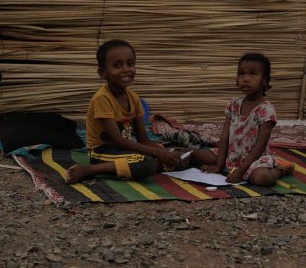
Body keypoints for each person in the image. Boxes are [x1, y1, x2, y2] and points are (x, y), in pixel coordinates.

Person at [65, 39, 184, 183]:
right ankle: (90, 170)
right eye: (117, 65)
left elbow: (143, 139)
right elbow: (117, 140)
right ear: (102, 73)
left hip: (123, 151)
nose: (126, 69)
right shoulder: (101, 99)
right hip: (103, 152)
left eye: (130, 63)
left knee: (175, 155)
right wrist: (158, 154)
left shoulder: (133, 98)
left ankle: (164, 163)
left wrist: (165, 153)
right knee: (148, 163)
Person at [189, 53, 293, 187]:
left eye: (252, 74)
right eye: (241, 74)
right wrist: (219, 165)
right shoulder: (234, 104)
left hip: (254, 159)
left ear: (265, 80)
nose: (246, 79)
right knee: (194, 155)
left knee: (262, 178)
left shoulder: (266, 110)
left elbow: (260, 146)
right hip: (232, 154)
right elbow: (225, 136)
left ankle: (281, 169)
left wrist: (241, 171)